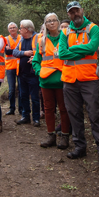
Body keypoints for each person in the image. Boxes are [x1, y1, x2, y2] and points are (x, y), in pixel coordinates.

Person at [58, 1, 99, 166]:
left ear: (82, 10)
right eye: (72, 12)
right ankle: (80, 147)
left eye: (77, 11)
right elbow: (61, 53)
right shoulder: (64, 31)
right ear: (68, 14)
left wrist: (72, 50)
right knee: (74, 115)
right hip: (69, 80)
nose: (75, 14)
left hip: (89, 79)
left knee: (95, 115)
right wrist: (82, 50)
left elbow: (92, 48)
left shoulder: (93, 28)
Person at [32, 13, 71, 149]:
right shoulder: (42, 41)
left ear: (58, 22)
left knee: (64, 109)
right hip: (46, 82)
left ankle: (65, 137)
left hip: (62, 81)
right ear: (45, 24)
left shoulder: (66, 38)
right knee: (48, 110)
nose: (52, 23)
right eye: (49, 21)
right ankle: (51, 136)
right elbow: (36, 61)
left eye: (54, 20)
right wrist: (39, 72)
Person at [12, 19, 41, 127]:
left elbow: (43, 52)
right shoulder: (21, 39)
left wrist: (34, 56)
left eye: (20, 28)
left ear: (27, 29)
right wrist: (24, 53)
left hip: (33, 74)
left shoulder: (38, 38)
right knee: (23, 96)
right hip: (21, 74)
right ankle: (25, 117)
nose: (19, 30)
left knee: (34, 97)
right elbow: (14, 52)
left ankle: (36, 118)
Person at [4, 22, 22, 116]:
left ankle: (21, 109)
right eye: (10, 28)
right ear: (8, 30)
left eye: (14, 27)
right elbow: (7, 52)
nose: (12, 29)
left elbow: (23, 50)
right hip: (10, 67)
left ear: (17, 28)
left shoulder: (22, 37)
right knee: (11, 89)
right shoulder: (6, 39)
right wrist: (18, 51)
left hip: (20, 66)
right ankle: (12, 109)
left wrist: (12, 50)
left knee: (20, 88)